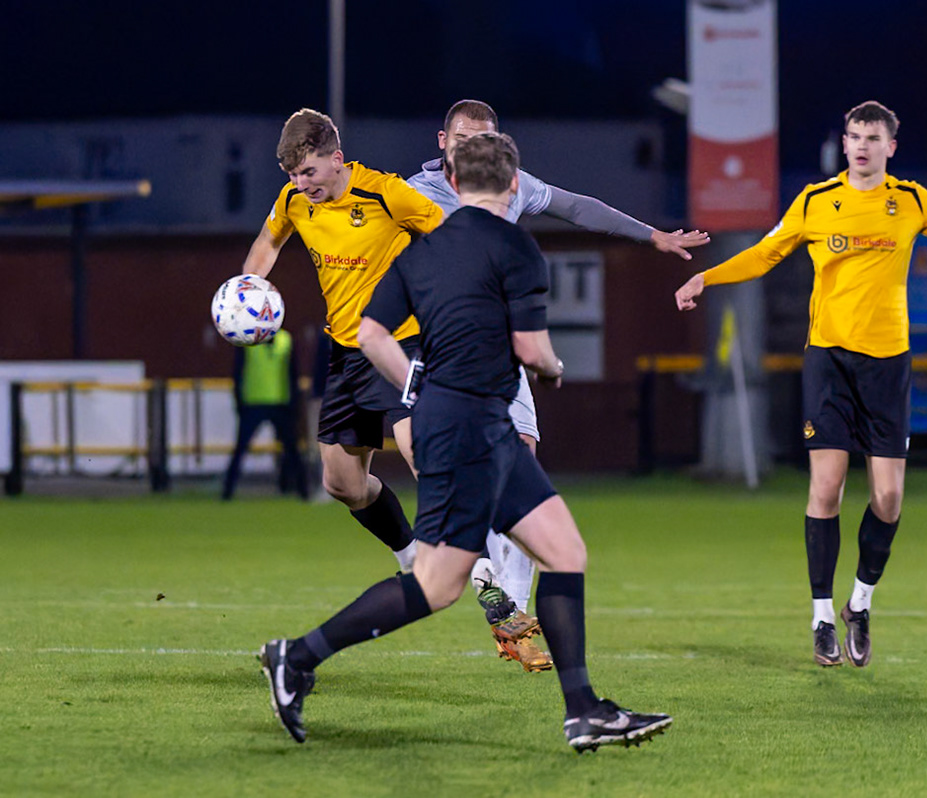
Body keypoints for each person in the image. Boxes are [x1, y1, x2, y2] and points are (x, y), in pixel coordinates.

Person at [259, 131, 672, 751]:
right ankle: (296, 657)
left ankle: (584, 710)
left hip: (475, 426)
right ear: (513, 184)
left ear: (451, 184)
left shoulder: (420, 252)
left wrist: (414, 384)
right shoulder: (516, 248)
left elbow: (370, 335)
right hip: (467, 431)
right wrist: (552, 368)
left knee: (564, 551)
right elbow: (534, 351)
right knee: (436, 585)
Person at [401, 98, 711, 671]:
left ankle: (512, 612)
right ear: (442, 140)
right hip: (441, 356)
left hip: (501, 353)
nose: (472, 148)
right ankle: (478, 583)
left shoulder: (511, 185)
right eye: (463, 138)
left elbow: (575, 207)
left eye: (483, 139)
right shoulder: (411, 195)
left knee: (523, 462)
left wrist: (652, 236)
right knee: (454, 477)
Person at [675, 101, 927, 668]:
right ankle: (821, 616)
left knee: (888, 498)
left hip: (888, 365)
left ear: (891, 146)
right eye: (854, 136)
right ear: (844, 144)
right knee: (826, 488)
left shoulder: (912, 201)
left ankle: (858, 604)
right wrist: (706, 277)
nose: (862, 145)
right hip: (830, 361)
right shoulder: (816, 201)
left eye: (873, 137)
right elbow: (765, 254)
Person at [238, 109, 441, 575]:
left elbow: (450, 236)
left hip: (401, 343)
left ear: (337, 159)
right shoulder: (293, 199)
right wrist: (248, 291)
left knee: (422, 453)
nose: (301, 182)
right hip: (346, 352)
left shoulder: (385, 193)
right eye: (293, 174)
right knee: (343, 484)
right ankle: (411, 557)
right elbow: (268, 242)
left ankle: (485, 572)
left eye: (308, 171)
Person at [221, 327, 309, 501]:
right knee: (240, 449)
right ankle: (227, 492)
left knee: (292, 449)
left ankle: (303, 490)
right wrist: (239, 402)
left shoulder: (285, 339)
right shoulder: (247, 339)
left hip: (280, 402)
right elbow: (238, 372)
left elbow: (293, 373)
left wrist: (294, 404)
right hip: (253, 402)